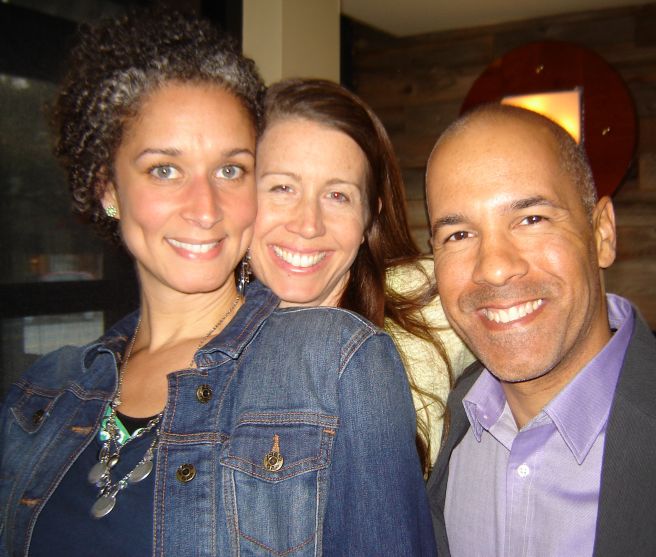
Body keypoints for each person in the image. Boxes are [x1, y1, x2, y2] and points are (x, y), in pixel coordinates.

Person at [0, 11, 435, 556]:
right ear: (107, 188)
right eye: (165, 169)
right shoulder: (43, 392)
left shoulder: (338, 361)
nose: (205, 209)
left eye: (230, 170)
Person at [424, 104, 656, 556]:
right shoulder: (435, 420)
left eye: (532, 218)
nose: (493, 268)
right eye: (458, 235)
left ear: (602, 234)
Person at [249, 78, 473, 474]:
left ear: (370, 216)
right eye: (282, 187)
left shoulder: (431, 304)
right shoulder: (201, 341)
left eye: (338, 196)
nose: (308, 224)